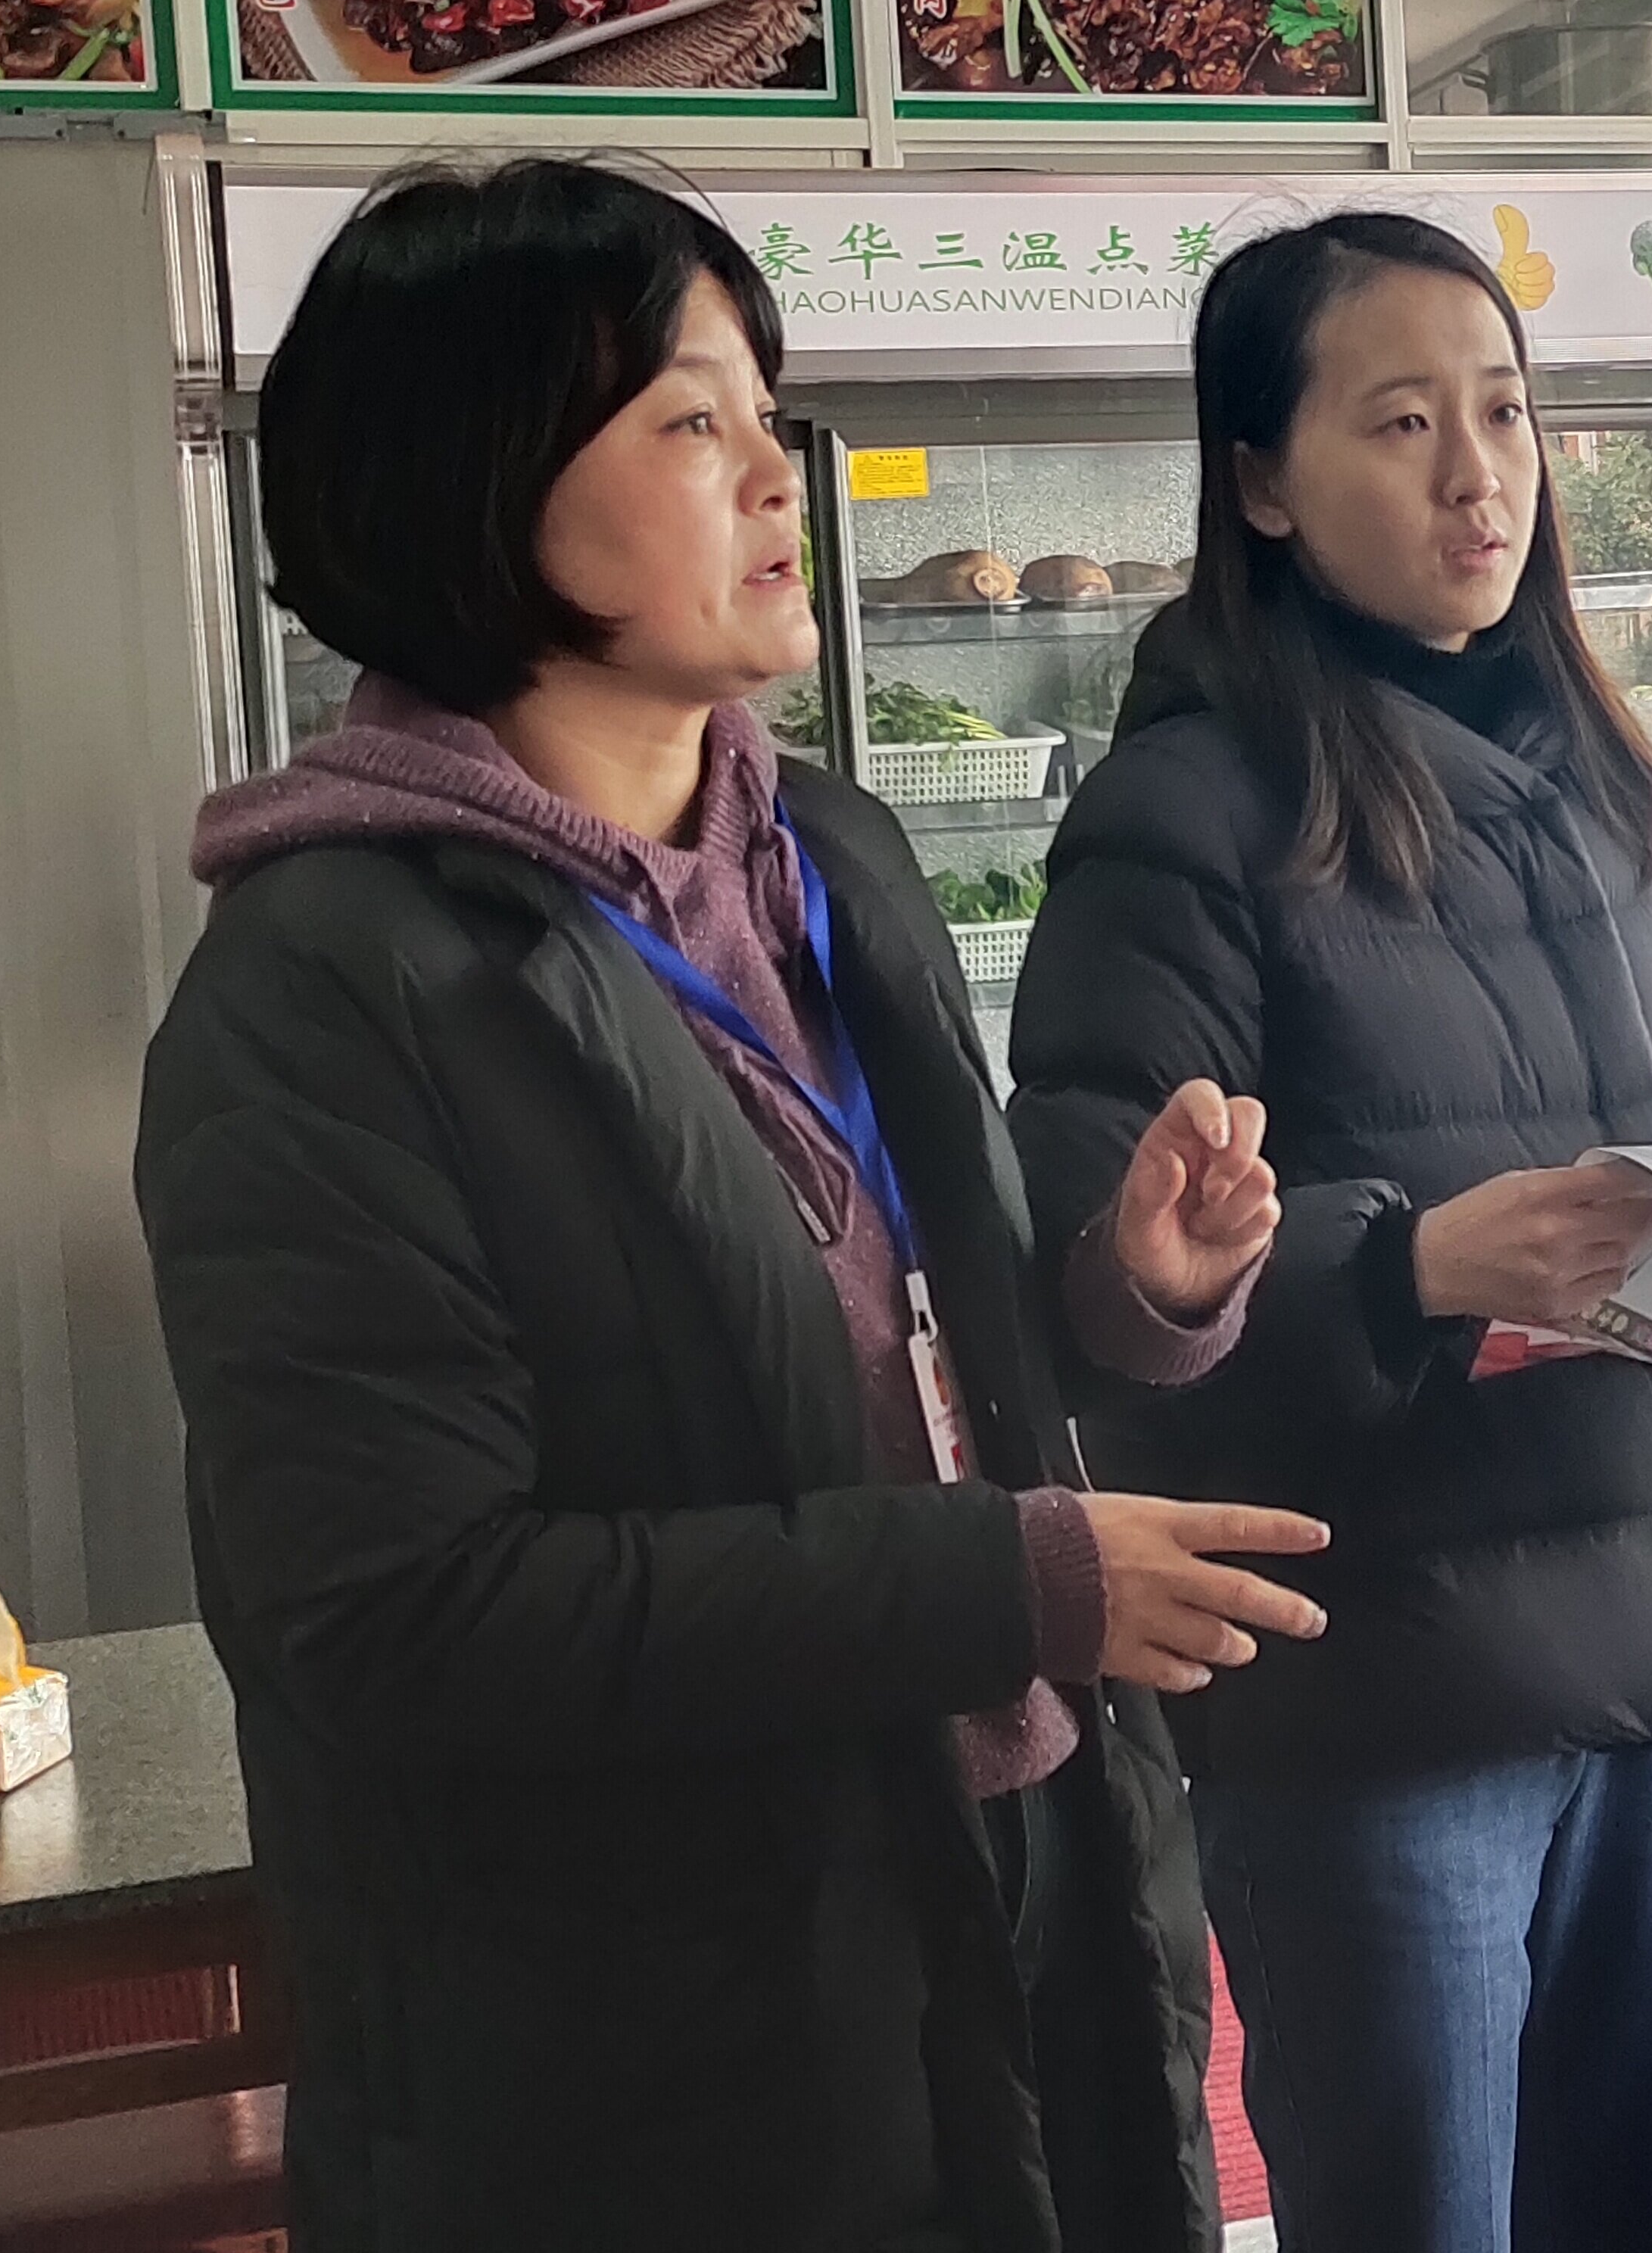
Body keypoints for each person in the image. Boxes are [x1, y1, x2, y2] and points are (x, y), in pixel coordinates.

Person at [137, 158, 1333, 2253]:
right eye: (695, 421)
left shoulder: (826, 856)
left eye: (766, 412)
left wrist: (1121, 1296)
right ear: (480, 482)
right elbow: (402, 1621)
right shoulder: (326, 987)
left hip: (1015, 1888)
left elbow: (870, 1359)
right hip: (644, 2050)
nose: (781, 474)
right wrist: (1005, 1584)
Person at [1006, 210, 1652, 2253]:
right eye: (1400, 423)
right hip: (1385, 1703)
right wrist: (1406, 1267)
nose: (1478, 476)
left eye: (1506, 413)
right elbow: (1101, 1285)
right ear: (1263, 485)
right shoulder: (1185, 816)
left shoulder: (1608, 780)